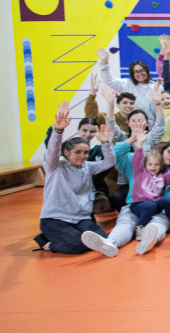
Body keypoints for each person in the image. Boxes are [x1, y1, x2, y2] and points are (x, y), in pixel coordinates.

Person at [35, 102, 117, 255]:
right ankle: (46, 243)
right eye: (78, 152)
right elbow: (53, 150)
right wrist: (58, 130)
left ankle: (68, 235)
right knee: (78, 246)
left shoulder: (88, 166)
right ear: (66, 152)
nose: (83, 156)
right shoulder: (55, 166)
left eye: (85, 153)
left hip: (80, 218)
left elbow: (110, 162)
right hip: (55, 219)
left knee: (102, 238)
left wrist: (105, 142)